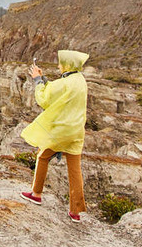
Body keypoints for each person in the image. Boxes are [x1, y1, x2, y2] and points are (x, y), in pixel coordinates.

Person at [19, 49, 89, 222]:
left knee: (42, 157)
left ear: (67, 65)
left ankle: (36, 193)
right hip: (76, 132)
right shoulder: (80, 80)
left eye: (60, 63)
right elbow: (58, 90)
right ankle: (76, 211)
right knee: (75, 170)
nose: (58, 66)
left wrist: (37, 80)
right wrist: (44, 80)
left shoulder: (64, 83)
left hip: (61, 131)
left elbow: (44, 99)